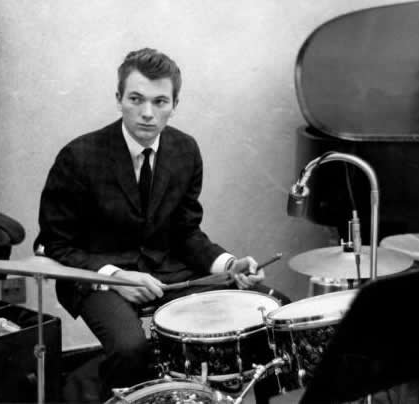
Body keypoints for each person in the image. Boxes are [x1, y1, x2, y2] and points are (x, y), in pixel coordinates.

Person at [36, 48, 288, 402]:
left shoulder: (185, 150)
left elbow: (186, 233)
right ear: (119, 99)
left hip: (168, 271)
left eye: (160, 101)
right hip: (98, 278)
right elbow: (55, 244)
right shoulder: (78, 156)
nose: (147, 113)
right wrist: (116, 277)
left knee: (271, 314)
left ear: (174, 104)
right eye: (136, 99)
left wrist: (230, 264)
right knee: (130, 349)